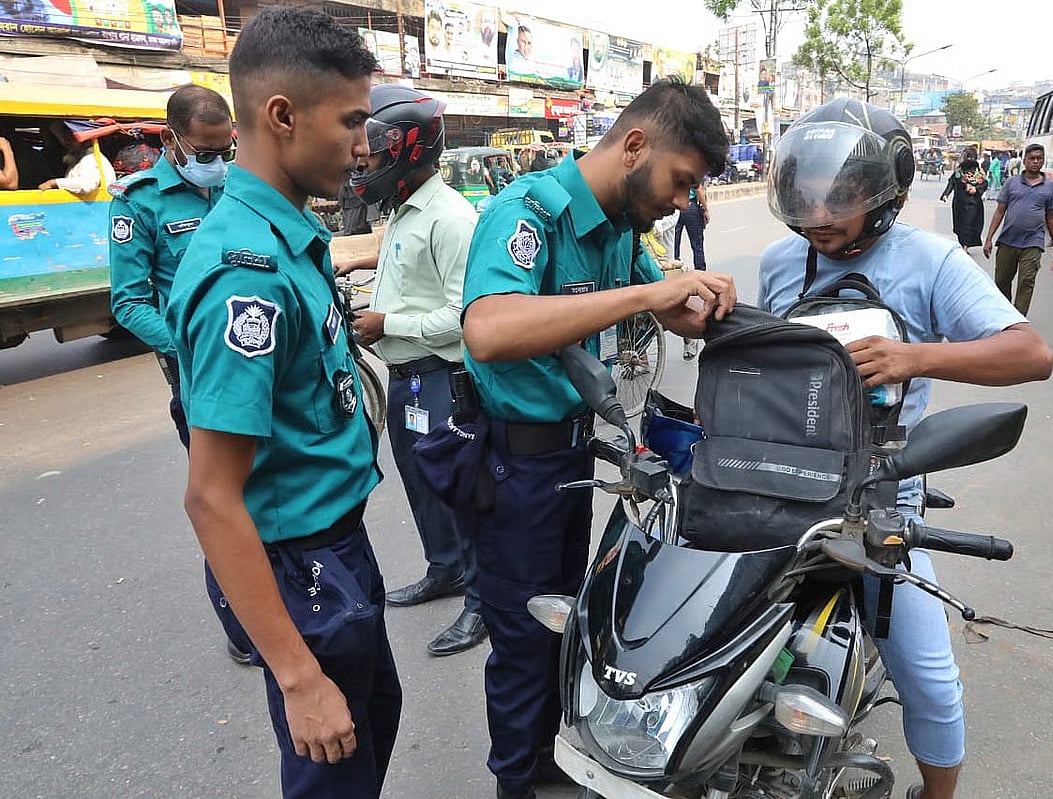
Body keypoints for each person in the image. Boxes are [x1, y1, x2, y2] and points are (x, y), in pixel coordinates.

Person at [760, 98, 1053, 799]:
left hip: (881, 487)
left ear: (886, 190)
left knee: (926, 668)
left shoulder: (928, 259)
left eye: (840, 201)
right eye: (805, 199)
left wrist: (912, 358)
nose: (820, 218)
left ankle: (939, 790)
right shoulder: (779, 259)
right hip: (780, 476)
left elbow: (1030, 353)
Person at [458, 76, 735, 799]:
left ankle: (552, 763)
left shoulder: (617, 224)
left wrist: (698, 298)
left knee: (568, 625)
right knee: (523, 643)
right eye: (681, 181)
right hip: (517, 464)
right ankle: (516, 783)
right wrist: (648, 295)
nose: (683, 201)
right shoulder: (526, 214)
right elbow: (487, 330)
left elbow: (663, 301)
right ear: (635, 145)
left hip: (575, 457)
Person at [163, 8, 403, 796]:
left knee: (371, 720)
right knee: (332, 766)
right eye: (353, 122)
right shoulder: (248, 276)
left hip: (336, 543)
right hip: (302, 564)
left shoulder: (287, 232)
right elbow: (211, 496)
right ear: (282, 115)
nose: (365, 146)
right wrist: (298, 674)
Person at [338, 85, 486, 657]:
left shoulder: (451, 218)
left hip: (441, 378)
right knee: (422, 487)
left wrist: (388, 324)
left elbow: (465, 315)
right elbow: (406, 263)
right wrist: (360, 260)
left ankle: (479, 603)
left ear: (406, 150)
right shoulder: (405, 210)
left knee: (458, 495)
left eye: (372, 152)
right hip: (408, 380)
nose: (362, 162)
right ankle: (444, 569)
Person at [108, 85, 251, 665]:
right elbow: (129, 302)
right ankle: (241, 625)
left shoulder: (237, 187)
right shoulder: (140, 203)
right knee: (223, 501)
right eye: (205, 150)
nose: (216, 162)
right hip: (197, 377)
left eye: (226, 149)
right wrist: (192, 342)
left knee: (269, 491)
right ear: (170, 140)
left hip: (256, 362)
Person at [982, 143, 1053, 315]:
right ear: (1024, 161)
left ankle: (1018, 319)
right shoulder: (1012, 183)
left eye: (1039, 158)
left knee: (1027, 281)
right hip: (1008, 241)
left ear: (1043, 161)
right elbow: (1000, 211)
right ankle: (1004, 315)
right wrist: (989, 238)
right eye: (1032, 158)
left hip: (1033, 242)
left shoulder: (1049, 187)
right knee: (1002, 281)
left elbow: (1051, 217)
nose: (1035, 162)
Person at [674, 181, 710, 359]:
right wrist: (706, 209)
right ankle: (701, 276)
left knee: (673, 252)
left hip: (675, 212)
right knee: (697, 245)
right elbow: (699, 189)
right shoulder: (691, 167)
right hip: (689, 208)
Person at [38, 122, 116, 194]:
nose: (67, 141)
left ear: (86, 141)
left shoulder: (90, 159)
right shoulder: (79, 159)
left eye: (72, 137)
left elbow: (86, 185)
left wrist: (54, 182)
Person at [939, 155, 988, 252]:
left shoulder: (978, 174)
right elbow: (951, 183)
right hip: (959, 204)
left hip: (973, 204)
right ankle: (962, 244)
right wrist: (946, 194)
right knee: (959, 225)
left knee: (968, 225)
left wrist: (976, 189)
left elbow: (984, 184)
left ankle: (965, 247)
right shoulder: (958, 173)